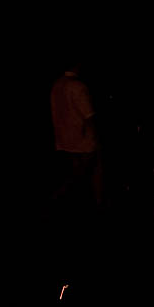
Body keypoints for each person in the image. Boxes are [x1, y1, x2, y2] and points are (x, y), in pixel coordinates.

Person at [50, 62, 104, 210]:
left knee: (73, 177)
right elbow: (89, 116)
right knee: (84, 176)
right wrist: (97, 139)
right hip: (83, 143)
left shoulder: (57, 85)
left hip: (63, 141)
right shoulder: (78, 86)